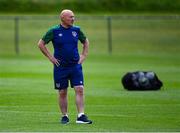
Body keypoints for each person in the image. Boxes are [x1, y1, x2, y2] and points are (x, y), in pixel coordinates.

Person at [38, 9, 92, 124]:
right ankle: (64, 116)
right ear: (63, 18)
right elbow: (41, 44)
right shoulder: (54, 31)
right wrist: (50, 57)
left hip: (75, 66)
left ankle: (81, 116)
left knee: (80, 89)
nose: (73, 19)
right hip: (60, 67)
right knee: (62, 92)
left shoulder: (76, 30)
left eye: (74, 17)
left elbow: (85, 41)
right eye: (70, 17)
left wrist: (84, 55)